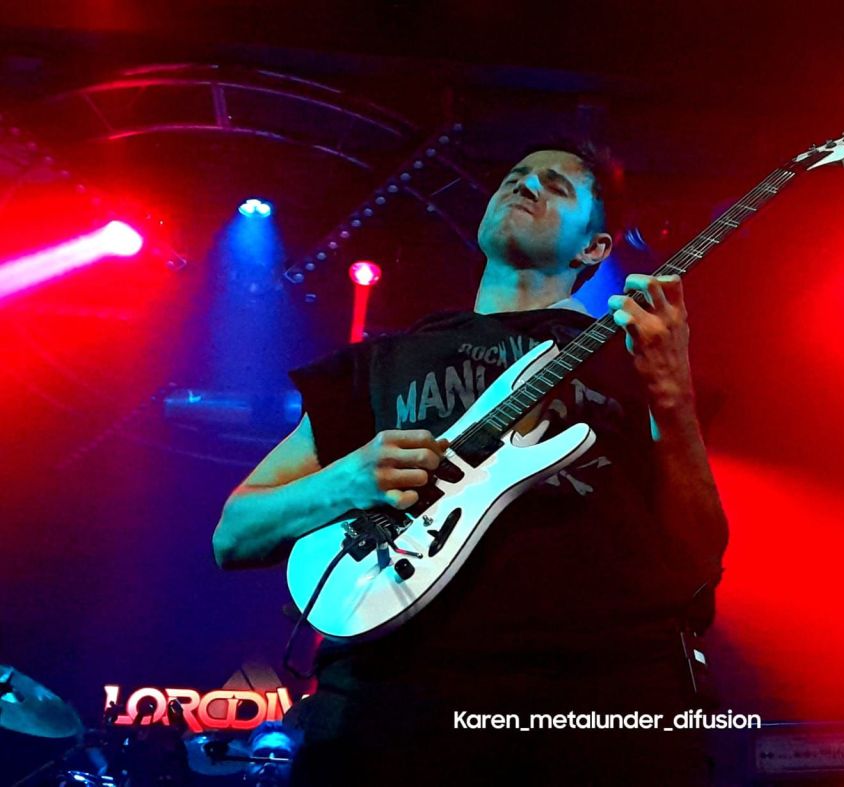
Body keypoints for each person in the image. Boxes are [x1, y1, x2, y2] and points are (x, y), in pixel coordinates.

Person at [213, 141, 729, 785]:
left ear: (594, 249)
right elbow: (234, 534)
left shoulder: (640, 357)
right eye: (516, 174)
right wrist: (346, 480)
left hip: (605, 711)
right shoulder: (377, 364)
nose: (525, 185)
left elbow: (699, 556)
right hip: (390, 712)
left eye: (555, 185)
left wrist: (674, 396)